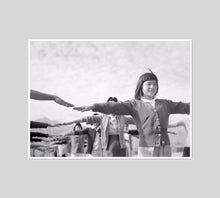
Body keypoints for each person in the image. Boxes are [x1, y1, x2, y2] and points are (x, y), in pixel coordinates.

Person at [73, 69, 190, 157]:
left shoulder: (165, 104)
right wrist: (94, 107)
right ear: (141, 87)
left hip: (166, 148)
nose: (152, 87)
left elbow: (186, 107)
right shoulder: (134, 105)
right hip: (146, 149)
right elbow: (113, 107)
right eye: (148, 84)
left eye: (155, 84)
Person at [58, 97, 135, 157]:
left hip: (121, 146)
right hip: (108, 147)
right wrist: (70, 122)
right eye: (109, 105)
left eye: (114, 105)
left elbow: (135, 121)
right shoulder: (102, 118)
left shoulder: (122, 118)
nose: (112, 107)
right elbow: (87, 118)